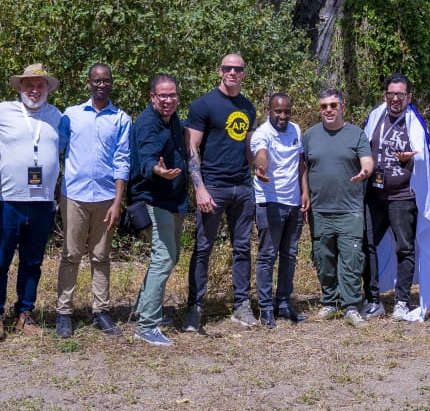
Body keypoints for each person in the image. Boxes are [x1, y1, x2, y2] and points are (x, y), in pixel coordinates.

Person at [0, 63, 65, 340]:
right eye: (29, 85)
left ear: (47, 89)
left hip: (42, 202)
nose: (35, 90)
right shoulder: (1, 111)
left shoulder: (56, 115)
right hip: (7, 200)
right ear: (20, 87)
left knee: (32, 262)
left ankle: (24, 314)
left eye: (40, 85)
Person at [54, 63, 132, 338]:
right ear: (87, 83)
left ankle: (101, 311)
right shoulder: (71, 115)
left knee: (100, 256)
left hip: (105, 197)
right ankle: (64, 312)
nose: (101, 85)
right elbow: (56, 148)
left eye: (106, 80)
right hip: (74, 195)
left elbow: (122, 160)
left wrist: (117, 202)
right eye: (96, 81)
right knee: (71, 254)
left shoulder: (121, 118)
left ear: (112, 83)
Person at [184, 52, 259, 331]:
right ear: (219, 71)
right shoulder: (203, 105)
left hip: (242, 187)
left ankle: (241, 305)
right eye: (227, 68)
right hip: (213, 187)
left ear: (244, 73)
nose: (232, 73)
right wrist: (200, 189)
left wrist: (253, 177)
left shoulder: (248, 107)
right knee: (203, 248)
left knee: (242, 248)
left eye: (238, 69)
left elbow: (249, 147)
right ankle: (195, 307)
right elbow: (191, 149)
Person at [361, 73, 430, 321]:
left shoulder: (416, 124)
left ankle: (401, 301)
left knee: (405, 248)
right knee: (366, 244)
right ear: (385, 95)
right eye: (391, 94)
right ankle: (373, 299)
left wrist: (410, 160)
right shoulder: (375, 117)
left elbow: (425, 159)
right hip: (375, 196)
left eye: (400, 94)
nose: (395, 99)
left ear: (408, 97)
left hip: (403, 196)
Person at [302, 89, 374, 326]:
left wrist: (365, 171)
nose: (328, 110)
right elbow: (303, 169)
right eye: (324, 106)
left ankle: (352, 306)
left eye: (333, 105)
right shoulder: (310, 135)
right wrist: (304, 194)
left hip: (350, 210)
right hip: (320, 210)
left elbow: (367, 161)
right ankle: (329, 303)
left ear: (342, 108)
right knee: (323, 259)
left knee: (351, 260)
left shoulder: (356, 134)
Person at [129, 74, 188, 347]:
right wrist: (158, 170)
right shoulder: (147, 123)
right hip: (153, 198)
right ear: (152, 97)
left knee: (170, 256)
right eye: (162, 96)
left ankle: (144, 309)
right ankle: (147, 325)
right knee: (163, 258)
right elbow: (147, 156)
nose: (167, 100)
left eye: (172, 95)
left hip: (173, 199)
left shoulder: (173, 120)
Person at [251, 92, 309, 327]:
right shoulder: (261, 134)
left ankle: (283, 303)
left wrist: (305, 192)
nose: (282, 116)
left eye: (286, 111)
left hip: (293, 202)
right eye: (278, 111)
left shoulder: (295, 129)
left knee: (289, 255)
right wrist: (261, 168)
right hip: (270, 202)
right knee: (267, 256)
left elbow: (301, 163)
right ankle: (265, 308)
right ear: (269, 111)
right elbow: (261, 154)